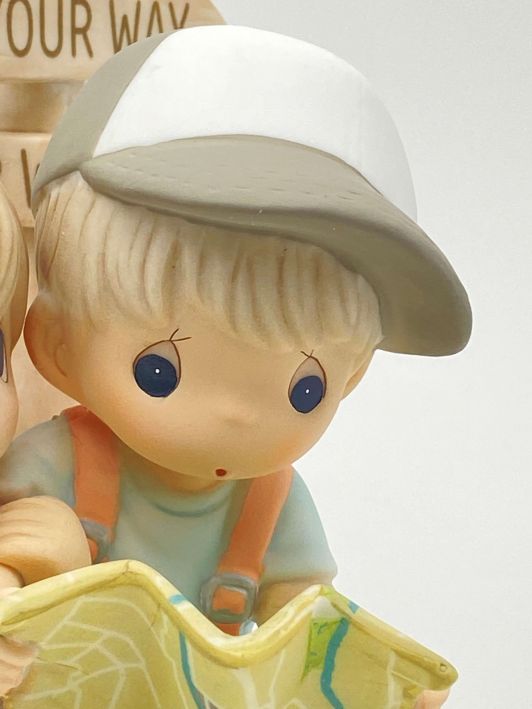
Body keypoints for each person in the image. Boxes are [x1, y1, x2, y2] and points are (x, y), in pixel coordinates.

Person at [0, 26, 471, 706]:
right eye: (160, 371)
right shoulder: (58, 463)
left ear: (353, 377)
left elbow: (308, 627)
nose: (237, 414)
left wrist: (375, 686)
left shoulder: (272, 504)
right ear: (60, 346)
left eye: (304, 388)